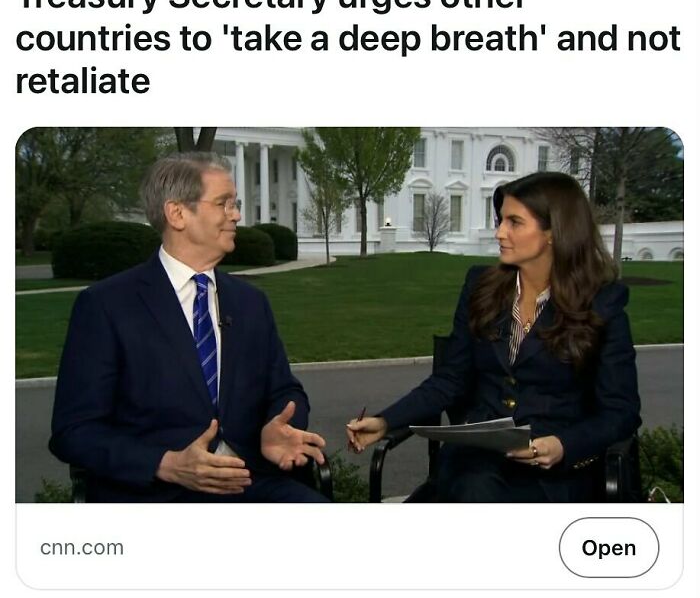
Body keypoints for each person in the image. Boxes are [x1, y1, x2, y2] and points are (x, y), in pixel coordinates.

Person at [346, 171, 641, 502]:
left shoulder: (602, 303)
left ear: (554, 232)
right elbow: (449, 380)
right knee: (474, 487)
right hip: (474, 465)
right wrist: (386, 421)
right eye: (501, 220)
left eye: (515, 222)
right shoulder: (481, 287)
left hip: (552, 479)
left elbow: (621, 411)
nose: (500, 232)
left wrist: (562, 445)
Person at [50, 152, 327, 502]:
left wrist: (278, 425)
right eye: (224, 203)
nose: (236, 215)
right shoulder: (106, 306)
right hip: (157, 493)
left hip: (252, 481)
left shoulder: (250, 302)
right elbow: (74, 431)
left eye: (236, 204)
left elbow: (285, 390)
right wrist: (166, 464)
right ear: (177, 213)